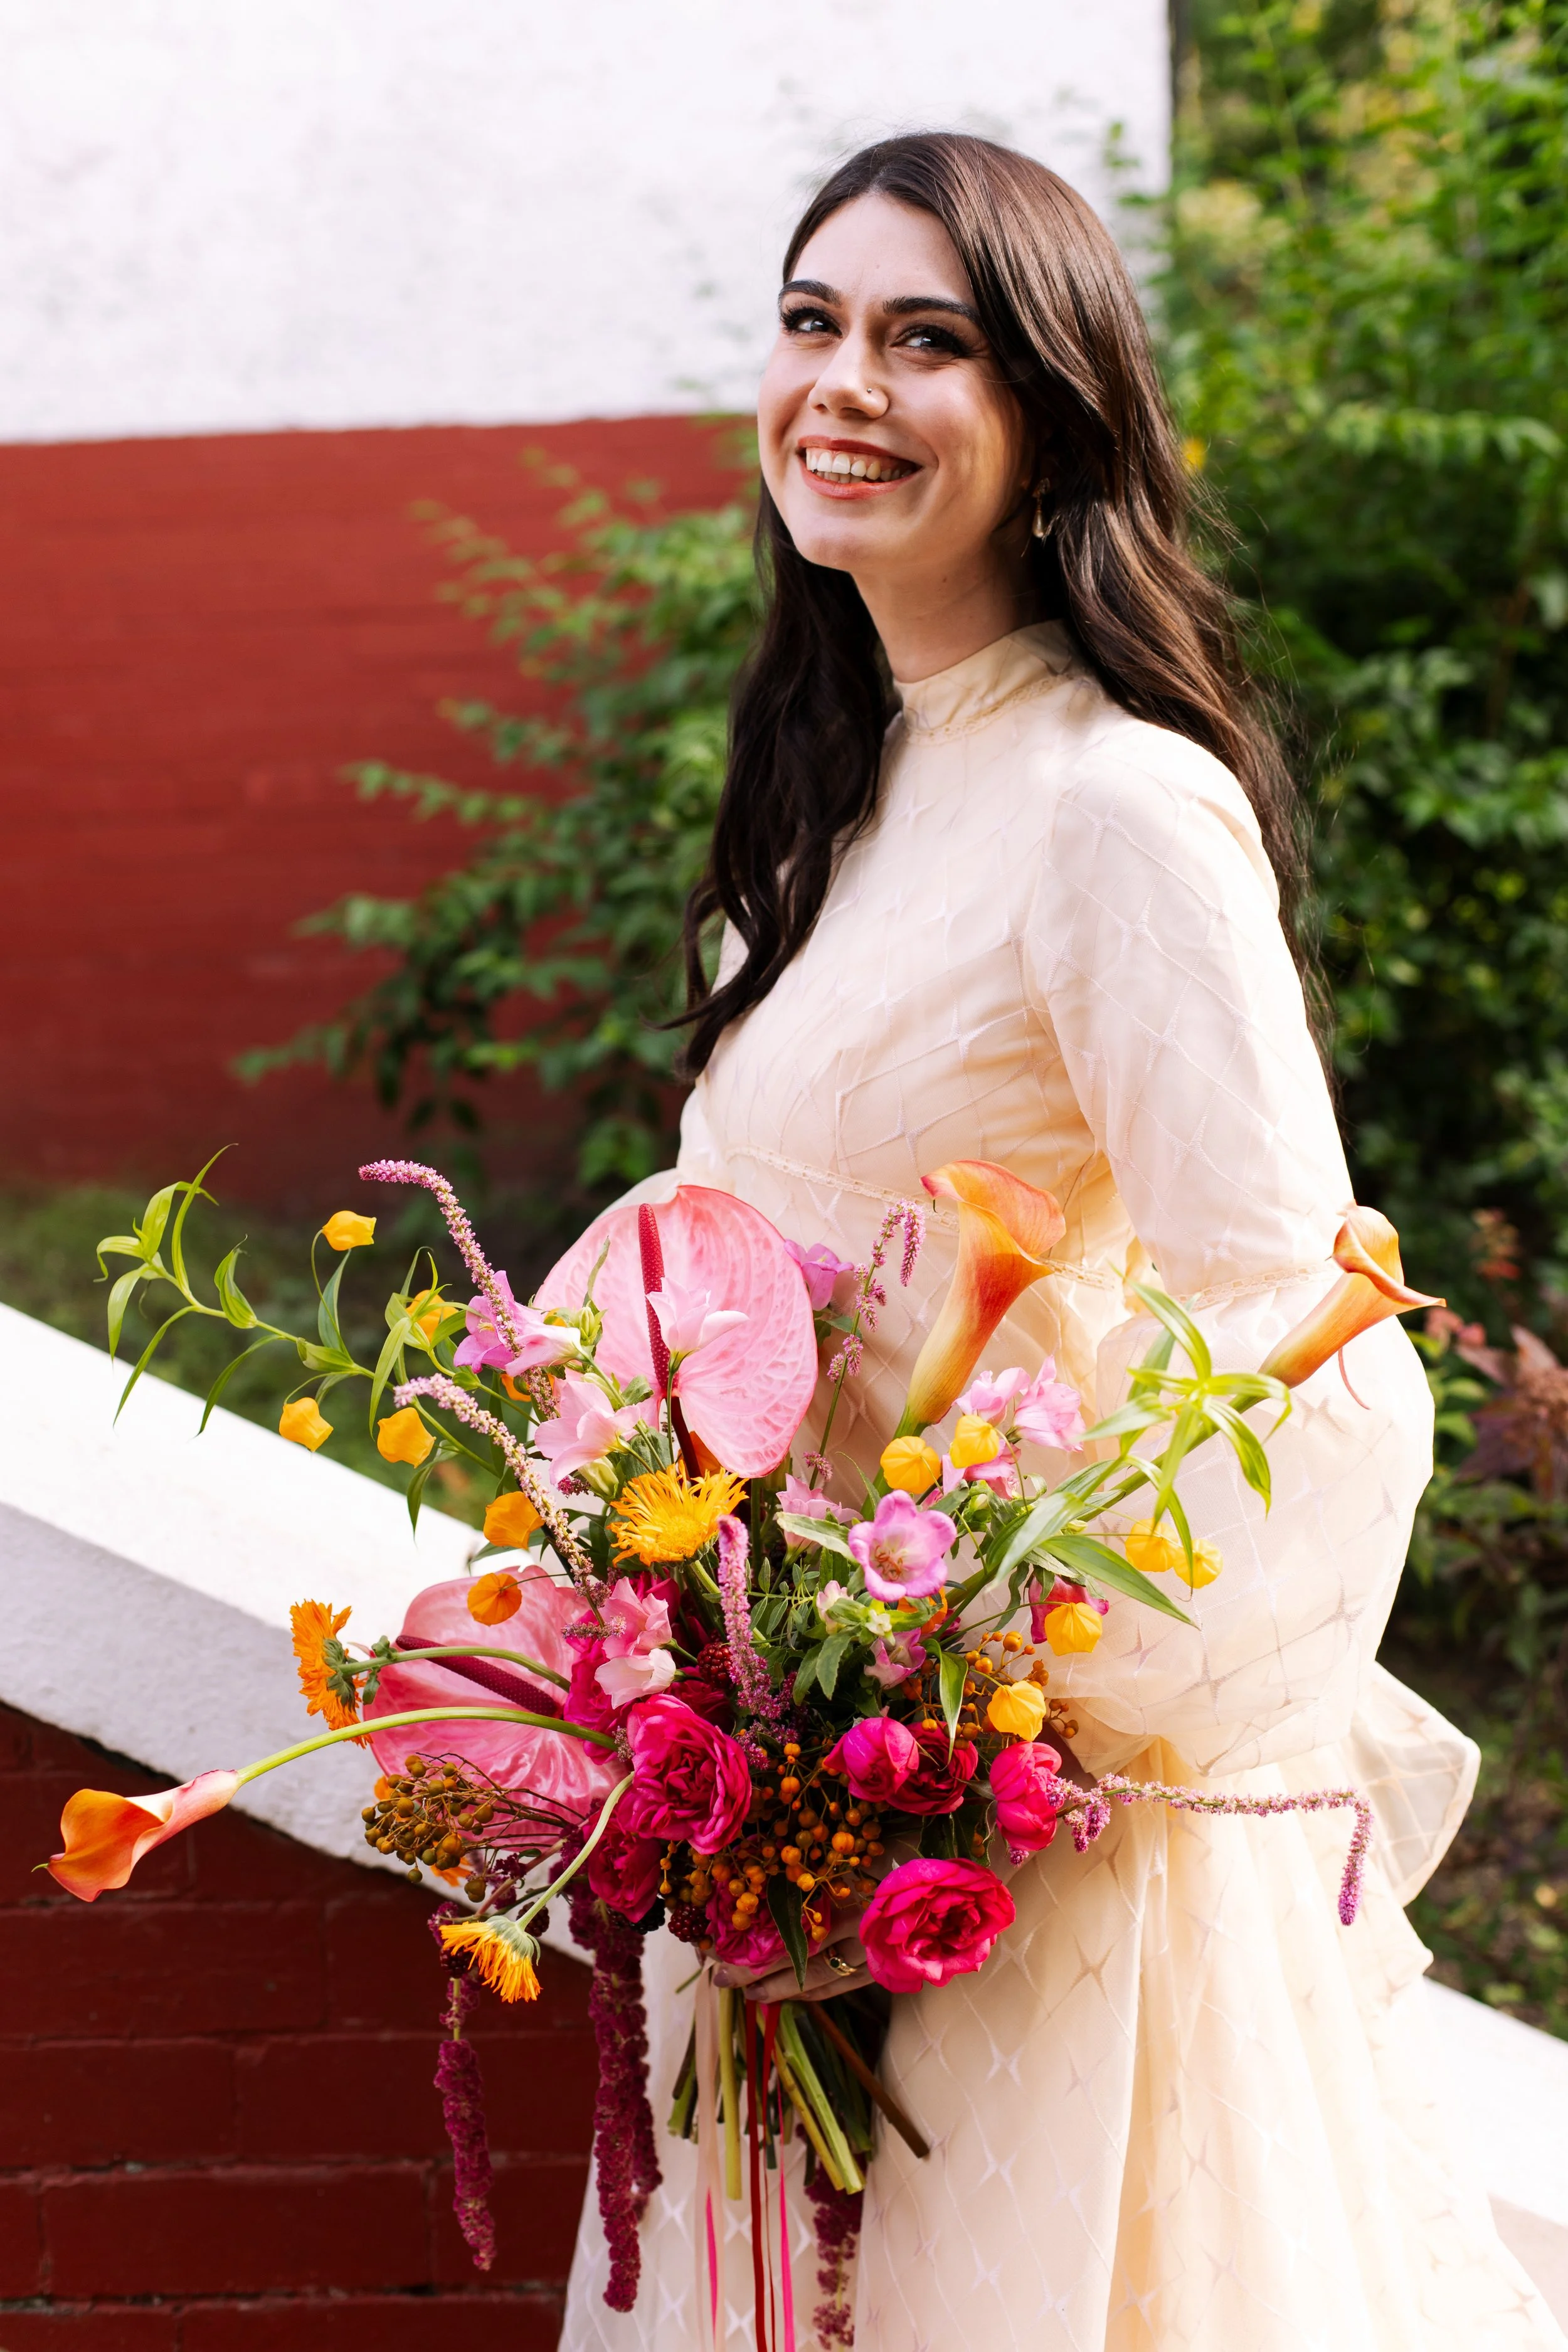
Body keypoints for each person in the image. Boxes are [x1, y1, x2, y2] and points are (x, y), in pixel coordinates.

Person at [562, 133, 1563, 2351]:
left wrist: (959, 1699)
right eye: (814, 320)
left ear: (1049, 416)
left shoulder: (1116, 804)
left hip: (1012, 1850)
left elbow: (1299, 1335)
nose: (844, 381)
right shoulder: (851, 778)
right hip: (790, 1824)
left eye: (928, 339)